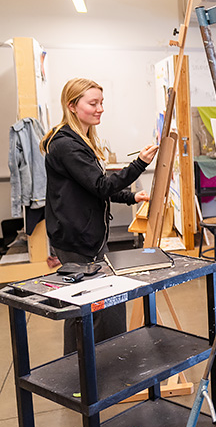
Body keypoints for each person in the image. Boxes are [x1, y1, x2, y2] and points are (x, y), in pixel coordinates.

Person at [40, 78, 159, 355]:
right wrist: (139, 164)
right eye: (93, 103)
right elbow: (101, 186)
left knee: (102, 304)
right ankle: (78, 372)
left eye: (101, 103)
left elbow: (93, 187)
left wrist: (132, 197)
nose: (100, 109)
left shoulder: (81, 140)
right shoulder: (66, 144)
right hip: (76, 239)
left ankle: (104, 363)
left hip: (87, 236)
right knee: (82, 308)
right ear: (72, 105)